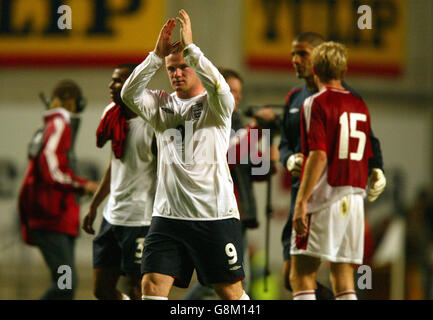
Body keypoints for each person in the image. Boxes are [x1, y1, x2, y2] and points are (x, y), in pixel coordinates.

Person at [121, 10, 249, 300]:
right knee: (151, 286)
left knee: (230, 293)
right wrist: (155, 56)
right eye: (171, 69)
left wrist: (192, 51)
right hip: (167, 216)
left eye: (183, 67)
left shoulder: (216, 105)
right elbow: (128, 94)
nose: (177, 74)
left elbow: (220, 86)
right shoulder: (159, 104)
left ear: (194, 66)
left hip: (213, 215)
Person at [279, 32, 386, 299]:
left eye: (302, 54)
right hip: (354, 199)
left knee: (300, 274)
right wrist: (288, 158)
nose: (295, 60)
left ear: (316, 63)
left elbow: (319, 154)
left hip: (321, 195)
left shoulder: (315, 102)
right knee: (344, 276)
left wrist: (302, 202)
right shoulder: (358, 102)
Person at [182, 68, 279, 299]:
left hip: (237, 213)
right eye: (233, 91)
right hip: (215, 212)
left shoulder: (239, 123)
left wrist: (270, 162)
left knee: (232, 279)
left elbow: (253, 171)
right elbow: (227, 158)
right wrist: (256, 128)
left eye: (239, 92)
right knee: (221, 280)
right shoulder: (207, 119)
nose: (238, 97)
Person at [81, 63, 157, 300]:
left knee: (139, 290)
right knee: (101, 291)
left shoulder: (154, 124)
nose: (111, 85)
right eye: (113, 80)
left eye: (119, 81)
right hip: (111, 217)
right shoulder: (112, 113)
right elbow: (114, 164)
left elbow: (167, 173)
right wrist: (94, 206)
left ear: (136, 86)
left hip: (140, 220)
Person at [17, 80, 98, 300]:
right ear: (73, 102)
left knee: (66, 284)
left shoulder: (49, 126)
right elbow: (51, 169)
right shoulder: (59, 124)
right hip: (52, 219)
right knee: (65, 286)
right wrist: (82, 185)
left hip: (56, 219)